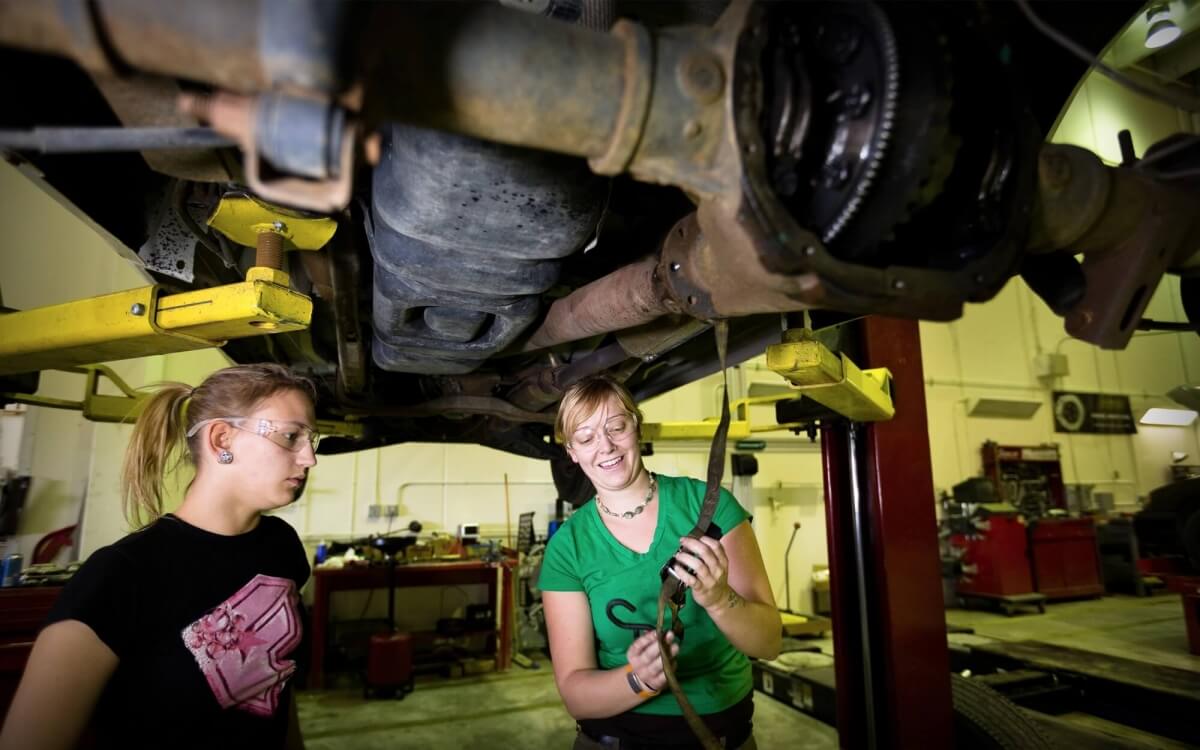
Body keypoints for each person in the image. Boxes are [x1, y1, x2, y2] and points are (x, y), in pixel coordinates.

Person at [0, 363, 319, 750]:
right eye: (290, 437)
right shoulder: (121, 575)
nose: (309, 459)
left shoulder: (281, 546)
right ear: (222, 440)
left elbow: (274, 686)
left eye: (310, 440)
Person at [539, 375, 781, 749]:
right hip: (617, 739)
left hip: (720, 736)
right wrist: (640, 680)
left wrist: (719, 599)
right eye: (586, 438)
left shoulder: (710, 507)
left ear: (637, 425)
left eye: (616, 427)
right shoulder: (568, 547)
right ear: (571, 451)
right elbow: (574, 691)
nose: (605, 446)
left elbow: (768, 642)